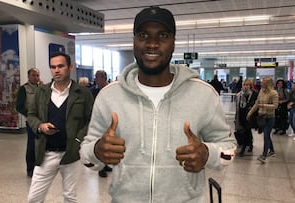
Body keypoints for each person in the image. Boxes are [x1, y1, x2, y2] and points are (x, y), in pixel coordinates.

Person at [80, 6, 236, 202]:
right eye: (143, 35)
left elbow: (229, 150)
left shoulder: (203, 94)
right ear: (134, 41)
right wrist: (97, 151)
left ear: (173, 43)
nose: (152, 43)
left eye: (162, 35)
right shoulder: (109, 96)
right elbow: (86, 158)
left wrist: (207, 153)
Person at [26, 52, 94, 202]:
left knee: (70, 196)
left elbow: (91, 120)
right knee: (33, 198)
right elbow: (31, 115)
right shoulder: (41, 91)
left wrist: (78, 140)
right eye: (53, 67)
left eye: (60, 66)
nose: (56, 70)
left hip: (71, 153)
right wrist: (40, 126)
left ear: (69, 67)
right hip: (46, 153)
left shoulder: (83, 93)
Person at [15, 68, 41, 177]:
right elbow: (19, 106)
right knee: (31, 145)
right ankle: (30, 168)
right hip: (31, 121)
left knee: (40, 145)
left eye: (37, 75)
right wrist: (29, 115)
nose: (36, 78)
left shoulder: (42, 88)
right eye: (34, 75)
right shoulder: (23, 89)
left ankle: (39, 167)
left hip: (41, 121)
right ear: (29, 76)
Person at [247, 77, 278, 164]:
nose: (261, 83)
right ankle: (271, 150)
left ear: (267, 83)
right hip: (262, 117)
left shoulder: (273, 93)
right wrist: (250, 113)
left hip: (270, 117)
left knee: (266, 135)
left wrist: (264, 105)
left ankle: (264, 155)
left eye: (263, 82)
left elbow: (275, 106)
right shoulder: (261, 91)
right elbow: (257, 103)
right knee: (266, 134)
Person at [90, 70, 113, 178]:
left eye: (97, 77)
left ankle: (106, 164)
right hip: (99, 120)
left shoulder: (111, 90)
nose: (95, 79)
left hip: (109, 119)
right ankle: (101, 167)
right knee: (100, 143)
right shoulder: (93, 91)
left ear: (103, 78)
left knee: (109, 143)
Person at [235, 79, 258, 157]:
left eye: (247, 85)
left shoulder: (254, 94)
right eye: (245, 85)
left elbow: (256, 105)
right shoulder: (239, 95)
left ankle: (243, 150)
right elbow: (237, 107)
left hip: (249, 116)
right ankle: (250, 144)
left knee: (246, 132)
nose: (246, 86)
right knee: (247, 132)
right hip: (241, 115)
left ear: (250, 86)